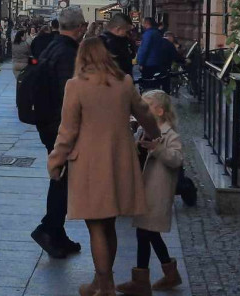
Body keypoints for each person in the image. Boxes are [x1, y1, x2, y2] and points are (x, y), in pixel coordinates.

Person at [47, 37, 160, 296]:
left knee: (96, 225)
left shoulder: (76, 86)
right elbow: (144, 112)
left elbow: (67, 130)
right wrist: (154, 134)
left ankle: (105, 284)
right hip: (120, 160)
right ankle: (101, 281)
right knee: (108, 224)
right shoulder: (124, 82)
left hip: (88, 164)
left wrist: (56, 160)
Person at [31, 7, 86, 260]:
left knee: (61, 177)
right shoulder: (67, 54)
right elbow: (69, 97)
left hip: (46, 122)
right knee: (63, 179)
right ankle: (48, 229)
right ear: (80, 28)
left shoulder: (52, 46)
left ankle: (57, 233)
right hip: (59, 125)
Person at [117, 89, 184, 295]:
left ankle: (143, 280)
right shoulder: (144, 131)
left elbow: (177, 160)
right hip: (145, 192)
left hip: (158, 193)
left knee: (147, 233)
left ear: (160, 111)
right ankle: (163, 275)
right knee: (147, 234)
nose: (142, 112)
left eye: (146, 108)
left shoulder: (169, 135)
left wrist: (158, 149)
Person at [136, 17, 178, 85]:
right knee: (155, 83)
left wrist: (141, 63)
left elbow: (144, 49)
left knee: (147, 83)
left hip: (148, 63)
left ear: (147, 23)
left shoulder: (148, 34)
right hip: (157, 62)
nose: (142, 25)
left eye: (143, 23)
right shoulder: (157, 33)